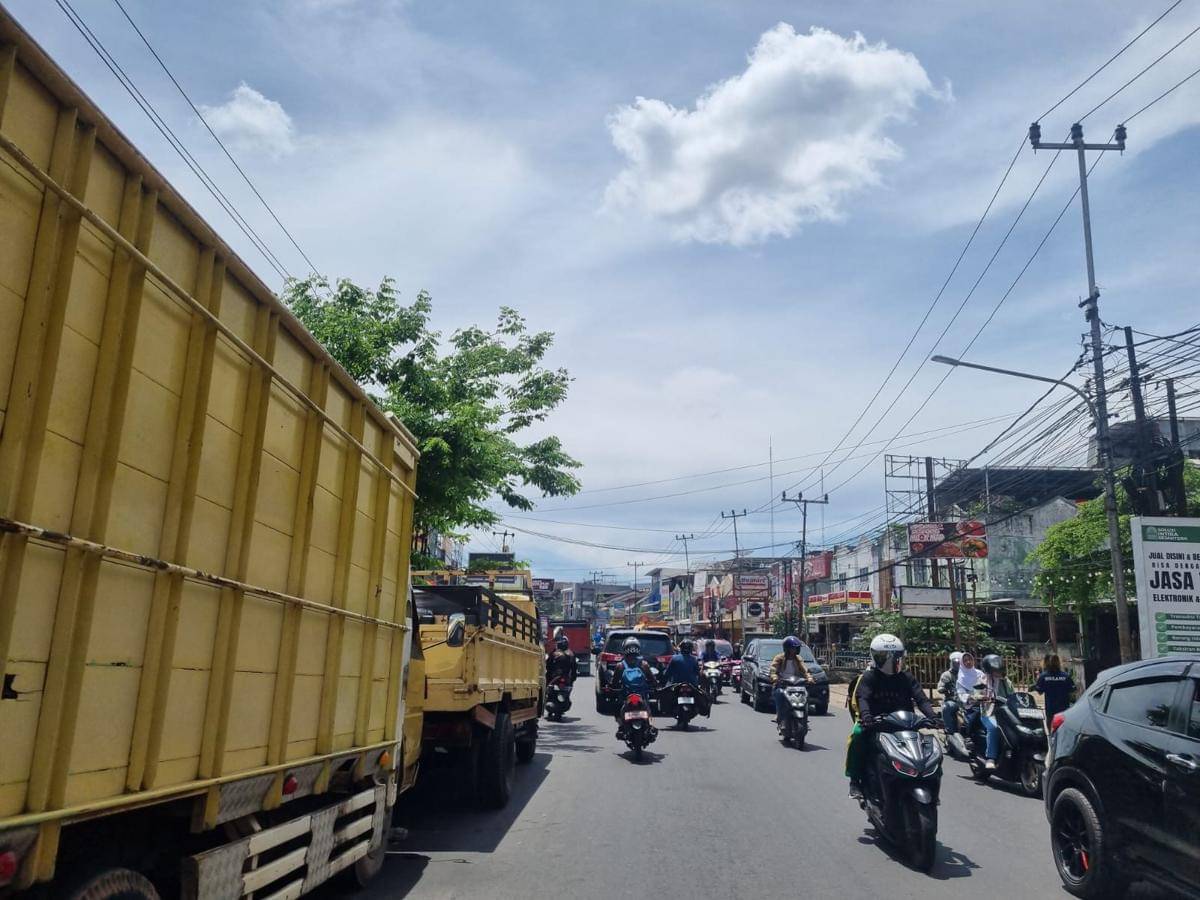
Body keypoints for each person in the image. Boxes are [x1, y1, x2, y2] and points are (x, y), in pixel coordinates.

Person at [846, 634, 938, 799]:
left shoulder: (906, 677)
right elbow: (863, 698)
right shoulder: (869, 677)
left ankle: (931, 787)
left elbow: (921, 699)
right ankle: (854, 781)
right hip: (876, 723)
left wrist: (933, 717)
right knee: (858, 736)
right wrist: (866, 717)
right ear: (875, 657)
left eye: (895, 657)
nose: (890, 662)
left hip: (906, 724)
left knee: (930, 751)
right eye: (885, 658)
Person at [610, 637, 658, 735]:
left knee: (616, 709)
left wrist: (612, 688)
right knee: (649, 709)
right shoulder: (644, 664)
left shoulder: (620, 666)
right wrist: (655, 685)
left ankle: (621, 727)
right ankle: (651, 725)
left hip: (625, 696)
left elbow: (614, 683)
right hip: (642, 696)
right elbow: (653, 680)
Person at [976, 654, 1015, 769]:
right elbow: (976, 693)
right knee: (993, 728)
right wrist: (981, 697)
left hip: (1006, 713)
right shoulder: (982, 680)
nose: (997, 672)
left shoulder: (1006, 681)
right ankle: (990, 757)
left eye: (999, 669)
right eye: (994, 670)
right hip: (988, 712)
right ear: (989, 670)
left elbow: (1013, 695)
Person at [770, 636, 814, 727]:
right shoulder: (779, 658)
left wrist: (809, 678)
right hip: (783, 684)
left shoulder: (798, 659)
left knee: (806, 693)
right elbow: (773, 669)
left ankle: (804, 714)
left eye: (796, 648)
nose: (794, 650)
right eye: (792, 648)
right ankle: (779, 715)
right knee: (779, 693)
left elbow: (805, 670)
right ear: (786, 648)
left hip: (796, 684)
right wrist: (774, 677)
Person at [1034, 654, 1076, 722]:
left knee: (1050, 722)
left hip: (1050, 706)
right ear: (1059, 663)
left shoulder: (1043, 676)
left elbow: (1039, 692)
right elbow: (1072, 690)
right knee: (1062, 723)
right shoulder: (1066, 676)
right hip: (1063, 706)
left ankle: (1051, 733)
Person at [937, 651, 964, 734]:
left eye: (959, 663)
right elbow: (940, 688)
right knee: (948, 707)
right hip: (953, 700)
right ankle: (950, 731)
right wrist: (944, 689)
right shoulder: (947, 675)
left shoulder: (967, 674)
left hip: (967, 700)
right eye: (955, 663)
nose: (957, 665)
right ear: (952, 663)